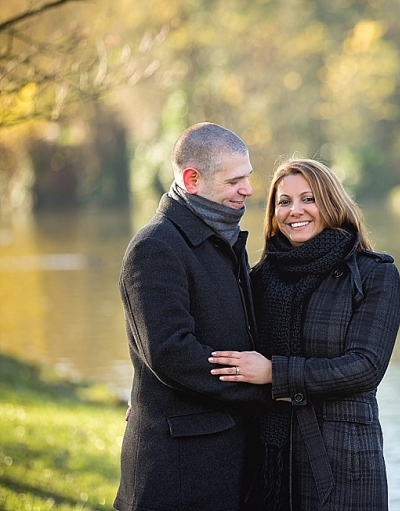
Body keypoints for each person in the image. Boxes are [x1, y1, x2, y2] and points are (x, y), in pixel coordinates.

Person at [209, 158, 400, 510]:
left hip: (343, 461)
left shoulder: (374, 275)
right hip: (267, 460)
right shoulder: (259, 279)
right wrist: (152, 394)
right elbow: (218, 350)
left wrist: (274, 373)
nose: (294, 211)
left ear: (331, 203)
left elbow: (365, 367)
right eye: (284, 202)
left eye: (308, 198)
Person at [114, 122, 273, 511]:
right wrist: (264, 386)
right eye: (234, 181)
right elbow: (171, 353)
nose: (249, 190)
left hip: (228, 461)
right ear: (192, 179)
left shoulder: (225, 239)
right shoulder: (155, 248)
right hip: (179, 472)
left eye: (248, 177)